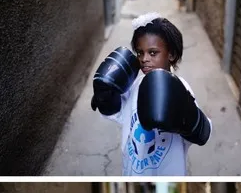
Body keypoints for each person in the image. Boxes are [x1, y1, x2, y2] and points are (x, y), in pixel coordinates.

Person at [89, 12, 212, 175]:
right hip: (132, 169)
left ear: (171, 54)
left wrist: (186, 118)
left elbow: (202, 133)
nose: (144, 59)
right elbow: (119, 113)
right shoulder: (136, 84)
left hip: (167, 172)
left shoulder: (181, 87)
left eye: (153, 53)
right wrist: (105, 97)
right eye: (140, 53)